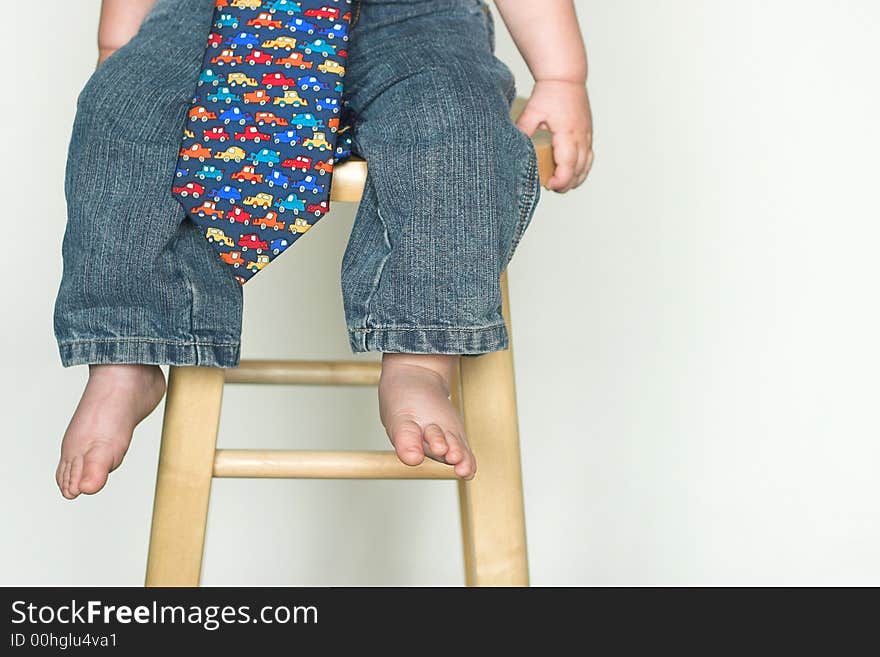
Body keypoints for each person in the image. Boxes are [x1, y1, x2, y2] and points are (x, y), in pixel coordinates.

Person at [54, 0, 594, 499]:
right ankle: (124, 352)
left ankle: (420, 359)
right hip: (218, 14)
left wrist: (561, 74)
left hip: (414, 19)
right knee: (123, 112)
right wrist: (117, 48)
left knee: (452, 124)